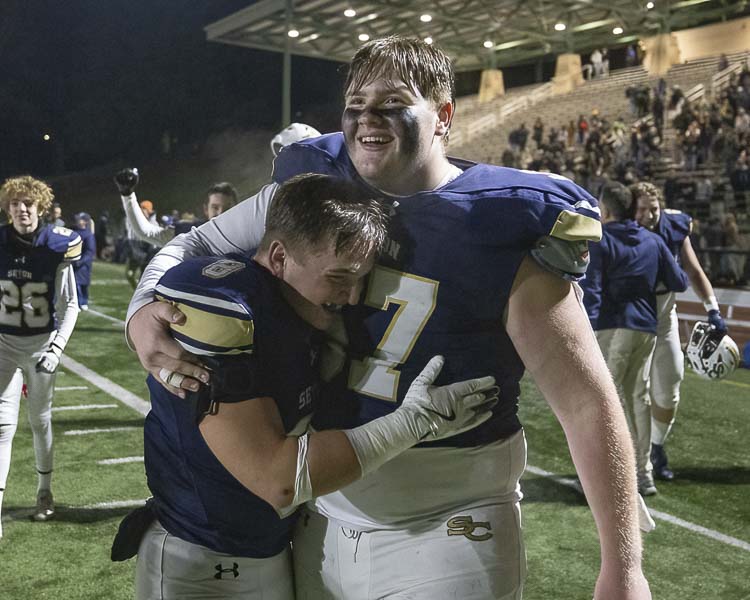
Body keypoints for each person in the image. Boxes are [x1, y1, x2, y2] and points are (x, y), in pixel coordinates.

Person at [125, 37, 651, 599]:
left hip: (450, 518)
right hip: (320, 520)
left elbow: (586, 401)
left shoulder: (504, 220)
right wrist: (140, 311)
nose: (366, 119)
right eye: (355, 103)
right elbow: (194, 245)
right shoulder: (315, 183)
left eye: (391, 102)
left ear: (443, 116)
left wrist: (623, 564)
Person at [126, 173, 497, 599]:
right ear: (280, 258)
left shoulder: (292, 305)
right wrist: (415, 423)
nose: (353, 297)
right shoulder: (226, 309)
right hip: (196, 562)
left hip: (265, 551)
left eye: (361, 280)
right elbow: (279, 478)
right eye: (340, 278)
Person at [581, 182, 688, 496]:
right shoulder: (653, 241)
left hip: (612, 328)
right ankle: (643, 474)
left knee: (603, 404)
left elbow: (594, 291)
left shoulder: (601, 239)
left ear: (607, 209)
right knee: (638, 401)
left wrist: (586, 333)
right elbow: (679, 281)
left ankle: (608, 476)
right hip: (646, 329)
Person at [0, 176, 81, 537]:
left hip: (39, 346)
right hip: (3, 344)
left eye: (29, 204)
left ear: (41, 208)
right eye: (16, 203)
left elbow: (72, 305)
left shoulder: (57, 245)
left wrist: (56, 348)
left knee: (40, 421)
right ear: (7, 208)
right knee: (3, 426)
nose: (22, 209)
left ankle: (44, 490)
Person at [631, 182, 728, 481]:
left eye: (653, 208)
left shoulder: (673, 225)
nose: (648, 215)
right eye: (642, 209)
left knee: (670, 388)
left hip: (663, 316)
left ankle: (657, 447)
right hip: (629, 317)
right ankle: (633, 457)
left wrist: (712, 308)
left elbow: (695, 270)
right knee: (632, 393)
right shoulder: (620, 227)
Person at [116, 170, 239, 246]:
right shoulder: (192, 232)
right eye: (215, 207)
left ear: (237, 210)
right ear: (206, 210)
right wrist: (128, 195)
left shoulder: (248, 236)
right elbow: (147, 232)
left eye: (228, 208)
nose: (221, 212)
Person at [72, 212, 96, 310]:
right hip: (74, 263)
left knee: (83, 284)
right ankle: (78, 302)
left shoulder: (88, 235)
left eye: (80, 219)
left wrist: (81, 261)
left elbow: (90, 251)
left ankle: (84, 301)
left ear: (85, 222)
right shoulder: (73, 232)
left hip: (84, 265)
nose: (78, 221)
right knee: (75, 284)